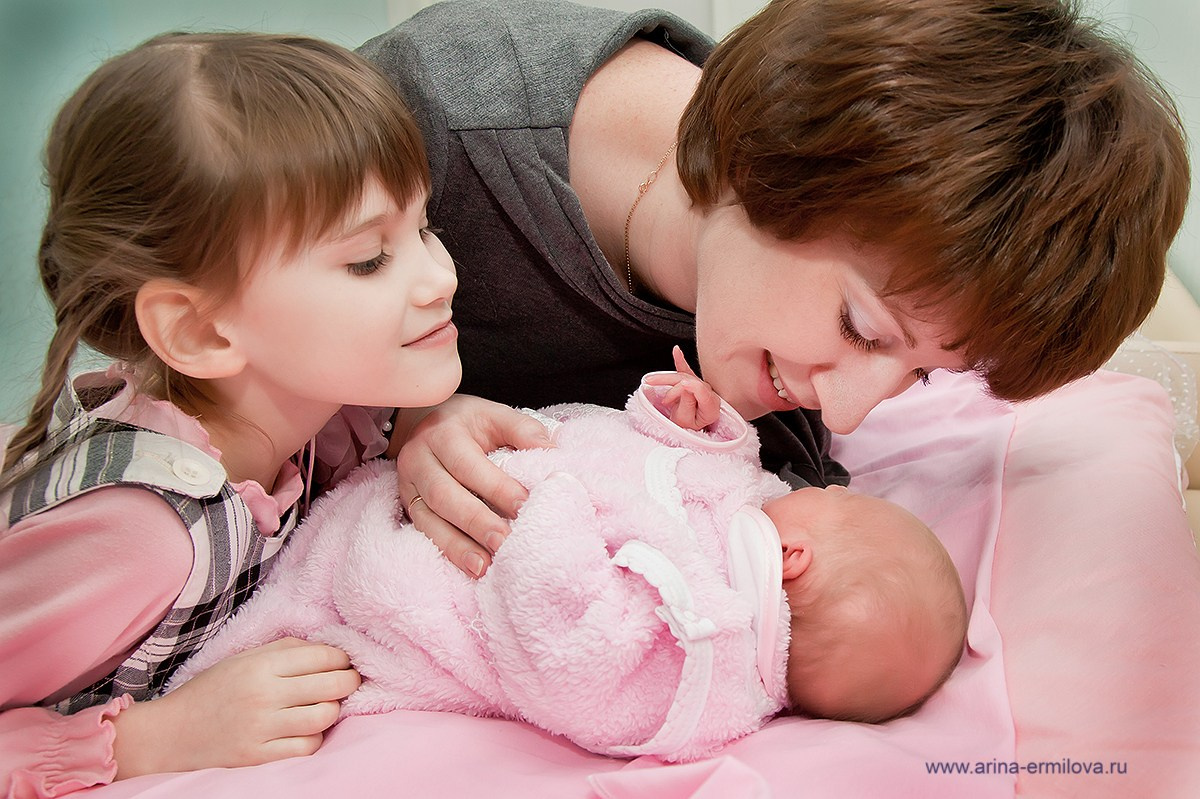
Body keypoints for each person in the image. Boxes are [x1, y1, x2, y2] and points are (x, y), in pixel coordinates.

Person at [355, 0, 1191, 579]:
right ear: (776, 157)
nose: (846, 413)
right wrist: (393, 415)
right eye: (861, 328)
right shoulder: (422, 131)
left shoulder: (781, 394)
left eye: (919, 374)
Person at [0, 32, 467, 796]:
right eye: (368, 259)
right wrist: (154, 739)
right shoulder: (143, 532)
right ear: (200, 332)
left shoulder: (317, 415)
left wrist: (435, 422)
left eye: (423, 228)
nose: (439, 276)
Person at [170, 350, 968, 761]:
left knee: (273, 601)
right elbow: (685, 461)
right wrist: (692, 420)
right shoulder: (750, 509)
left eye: (843, 504)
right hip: (424, 466)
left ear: (795, 556)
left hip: (416, 572)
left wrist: (552, 507)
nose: (819, 486)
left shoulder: (699, 655)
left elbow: (572, 651)